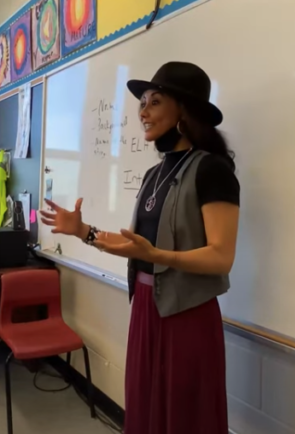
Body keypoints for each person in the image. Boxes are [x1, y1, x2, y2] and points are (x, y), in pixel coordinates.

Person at [39, 61, 239, 434]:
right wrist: (83, 231)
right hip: (146, 310)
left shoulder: (212, 170)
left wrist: (158, 257)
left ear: (184, 109)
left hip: (187, 315)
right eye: (142, 102)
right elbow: (133, 244)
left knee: (183, 415)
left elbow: (221, 256)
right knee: (147, 407)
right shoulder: (154, 173)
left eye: (155, 102)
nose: (142, 112)